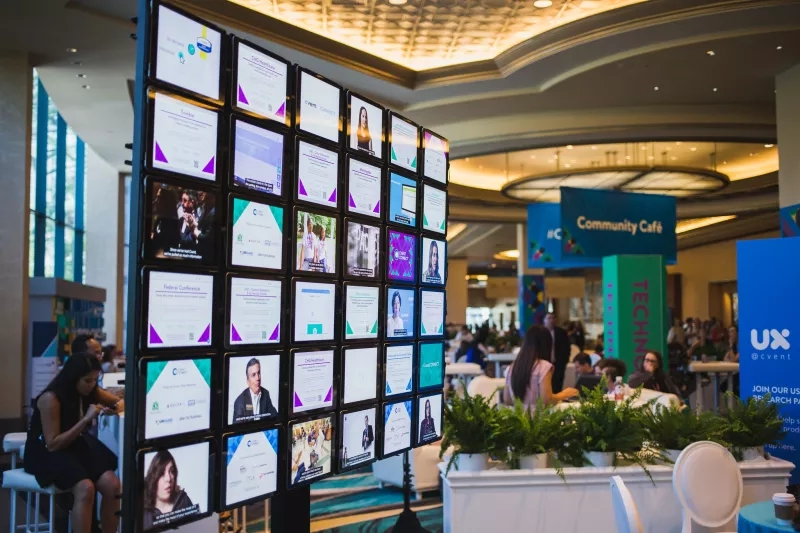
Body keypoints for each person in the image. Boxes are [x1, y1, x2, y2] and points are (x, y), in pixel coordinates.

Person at [24, 355, 122, 533]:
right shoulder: (50, 399)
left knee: (113, 485)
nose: (92, 384)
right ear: (73, 378)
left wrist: (111, 409)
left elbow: (119, 403)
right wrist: (85, 420)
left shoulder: (90, 391)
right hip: (46, 452)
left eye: (94, 379)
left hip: (72, 445)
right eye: (87, 380)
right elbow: (53, 444)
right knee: (86, 488)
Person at [503, 326, 578, 409]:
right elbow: (546, 400)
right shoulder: (543, 367)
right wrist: (565, 394)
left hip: (518, 419)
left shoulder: (511, 368)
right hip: (538, 420)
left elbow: (507, 399)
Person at [142, 450, 195, 530]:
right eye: (162, 473)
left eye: (171, 471)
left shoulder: (184, 500)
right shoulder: (143, 512)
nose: (169, 478)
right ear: (153, 478)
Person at [232, 358, 278, 422]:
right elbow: (237, 429)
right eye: (253, 375)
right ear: (248, 381)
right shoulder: (240, 402)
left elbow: (275, 417)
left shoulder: (265, 393)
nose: (258, 378)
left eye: (258, 373)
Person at [543, 313, 571, 394]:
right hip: (545, 363)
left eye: (553, 318)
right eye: (549, 318)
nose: (551, 320)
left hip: (558, 363)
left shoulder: (561, 332)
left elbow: (567, 347)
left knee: (557, 384)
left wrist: (565, 361)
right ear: (544, 320)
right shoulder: (540, 332)